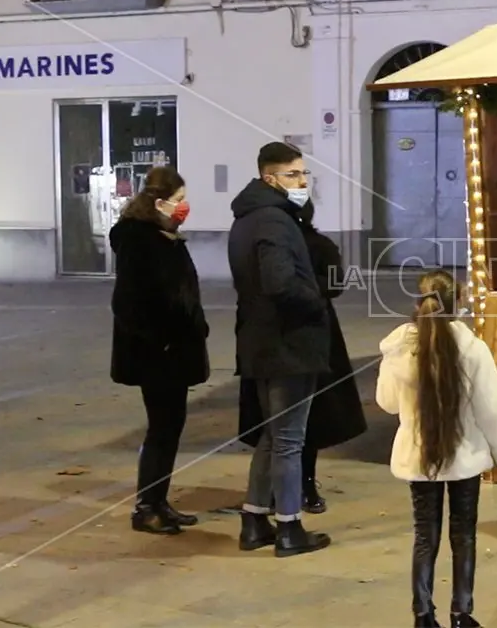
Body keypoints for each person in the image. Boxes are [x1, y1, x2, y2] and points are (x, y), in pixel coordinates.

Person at [376, 271, 497, 628]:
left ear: (418, 303)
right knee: (464, 535)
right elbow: (491, 411)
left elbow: (388, 403)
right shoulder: (473, 350)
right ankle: (462, 613)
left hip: (418, 455)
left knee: (424, 535)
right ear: (459, 304)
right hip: (465, 456)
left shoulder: (399, 350)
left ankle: (423, 616)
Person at [228, 141, 333, 558]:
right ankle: (289, 527)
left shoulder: (247, 218)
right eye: (294, 174)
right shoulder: (274, 220)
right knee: (289, 439)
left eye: (305, 174)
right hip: (288, 344)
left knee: (272, 437)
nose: (303, 181)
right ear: (269, 177)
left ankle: (254, 520)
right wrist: (316, 302)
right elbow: (279, 282)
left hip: (259, 342)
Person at [237, 198, 367, 514]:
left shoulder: (260, 238)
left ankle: (267, 500)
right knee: (302, 423)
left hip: (270, 338)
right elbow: (336, 284)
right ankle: (299, 493)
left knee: (277, 426)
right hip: (309, 337)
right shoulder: (317, 244)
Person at [109, 166, 209, 535]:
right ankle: (146, 507)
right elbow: (128, 303)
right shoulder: (141, 241)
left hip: (171, 352)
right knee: (162, 428)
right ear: (160, 202)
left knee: (170, 427)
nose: (184, 207)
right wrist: (164, 339)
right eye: (179, 200)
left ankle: (159, 501)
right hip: (158, 357)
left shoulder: (163, 236)